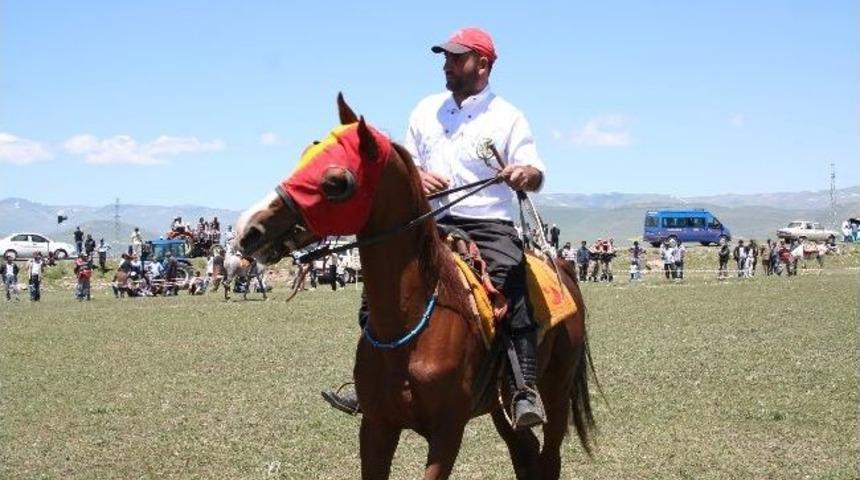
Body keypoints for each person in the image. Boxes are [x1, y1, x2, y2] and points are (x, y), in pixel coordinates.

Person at [322, 27, 547, 430]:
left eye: (456, 58)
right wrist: (419, 176)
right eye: (445, 57)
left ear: (483, 63)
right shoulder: (426, 110)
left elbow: (535, 172)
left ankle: (523, 388)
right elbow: (406, 167)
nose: (447, 64)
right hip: (431, 221)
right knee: (378, 293)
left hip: (487, 223)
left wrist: (521, 174)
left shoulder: (508, 116)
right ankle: (371, 384)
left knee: (513, 288)